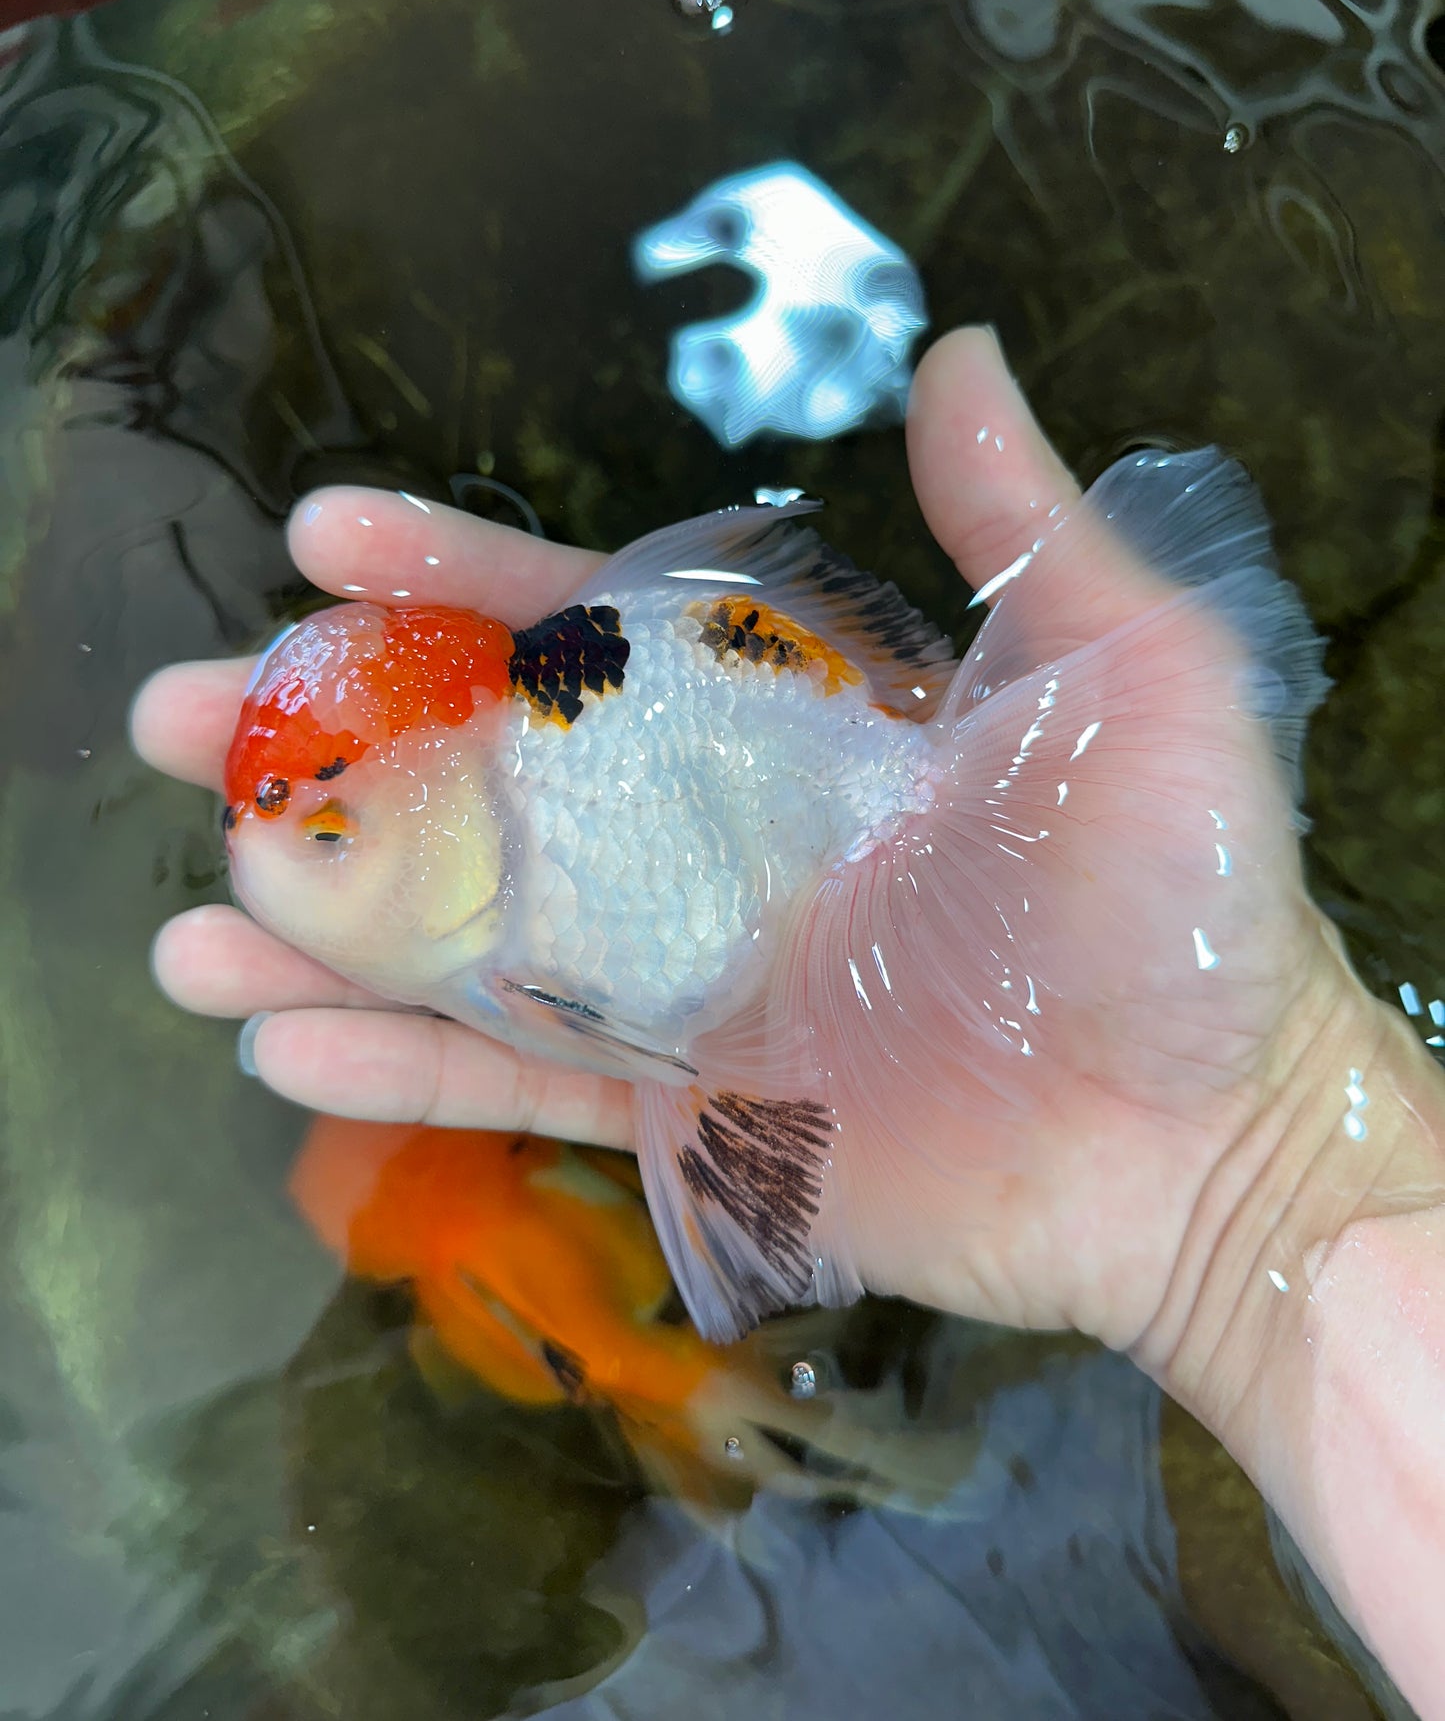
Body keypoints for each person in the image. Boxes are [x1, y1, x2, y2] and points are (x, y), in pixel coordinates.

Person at [131, 326, 1445, 1718]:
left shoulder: (537, 916)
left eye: (330, 836)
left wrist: (1268, 1180)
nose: (273, 863)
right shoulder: (508, 866)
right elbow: (689, 1056)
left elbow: (682, 1044)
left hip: (796, 767)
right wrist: (1275, 1195)